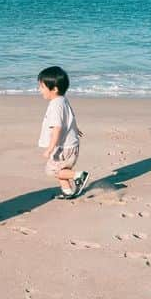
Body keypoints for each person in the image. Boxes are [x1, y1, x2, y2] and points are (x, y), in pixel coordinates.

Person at [37, 66, 89, 199]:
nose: (39, 90)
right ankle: (68, 192)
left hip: (62, 148)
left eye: (42, 87)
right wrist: (75, 129)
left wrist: (50, 149)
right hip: (70, 145)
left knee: (53, 170)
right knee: (61, 170)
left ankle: (79, 175)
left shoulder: (55, 105)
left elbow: (57, 128)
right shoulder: (63, 100)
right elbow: (70, 117)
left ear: (54, 89)